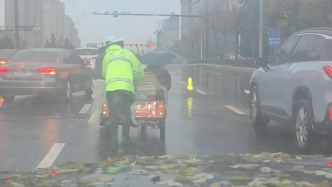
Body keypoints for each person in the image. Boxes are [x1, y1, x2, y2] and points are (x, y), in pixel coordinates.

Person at [102, 36, 144, 149]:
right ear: (121, 45)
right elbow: (140, 71)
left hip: (111, 90)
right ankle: (125, 140)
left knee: (113, 116)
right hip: (126, 89)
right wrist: (134, 77)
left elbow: (103, 74)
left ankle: (113, 143)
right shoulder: (128, 54)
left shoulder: (107, 57)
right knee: (126, 114)